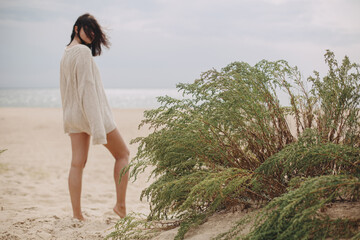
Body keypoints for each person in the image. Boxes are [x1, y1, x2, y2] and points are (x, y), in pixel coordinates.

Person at [59, 13, 129, 221]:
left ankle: (77, 215)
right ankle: (121, 206)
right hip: (91, 113)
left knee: (77, 163)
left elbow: (66, 90)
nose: (90, 34)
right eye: (87, 29)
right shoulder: (81, 52)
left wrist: (69, 116)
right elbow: (87, 89)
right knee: (123, 154)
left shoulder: (66, 53)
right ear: (76, 28)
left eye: (93, 32)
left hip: (73, 114)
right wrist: (96, 125)